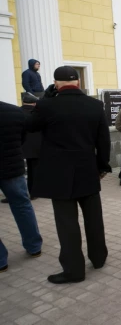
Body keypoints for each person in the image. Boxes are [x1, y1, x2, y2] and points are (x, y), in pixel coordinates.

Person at [29, 66, 111, 284]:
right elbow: (104, 140)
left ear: (56, 83)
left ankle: (74, 270)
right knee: (94, 218)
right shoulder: (95, 105)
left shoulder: (47, 105)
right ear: (77, 82)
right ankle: (99, 257)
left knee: (67, 223)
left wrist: (44, 99)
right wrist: (102, 167)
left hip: (59, 174)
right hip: (88, 170)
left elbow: (30, 125)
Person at [0, 101, 43, 272]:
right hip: (13, 167)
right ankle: (34, 247)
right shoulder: (14, 112)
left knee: (23, 205)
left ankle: (1, 261)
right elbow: (22, 138)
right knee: (22, 205)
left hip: (12, 166)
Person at [20, 93, 42, 200]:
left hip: (19, 146)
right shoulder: (38, 113)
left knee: (18, 173)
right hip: (36, 147)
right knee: (34, 171)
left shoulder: (17, 111)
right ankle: (34, 192)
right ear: (34, 103)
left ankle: (15, 195)